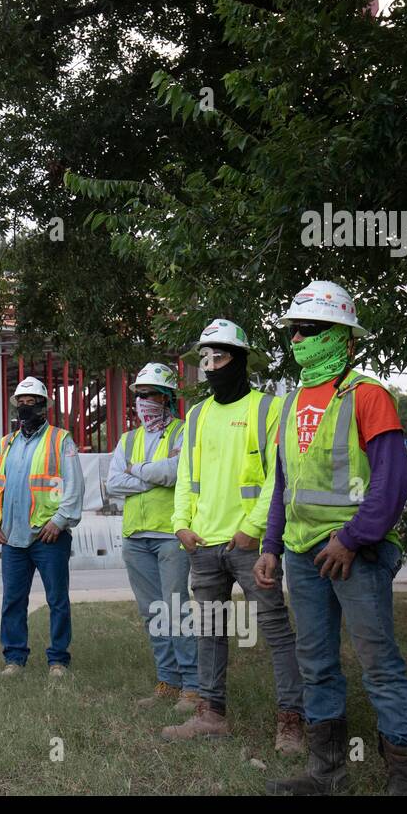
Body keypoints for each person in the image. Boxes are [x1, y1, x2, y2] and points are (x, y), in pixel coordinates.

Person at [256, 279, 407, 795]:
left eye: (313, 329)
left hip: (357, 555)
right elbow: (286, 482)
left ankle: (406, 786)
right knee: (316, 665)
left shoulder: (367, 395)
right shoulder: (289, 403)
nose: (301, 337)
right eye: (296, 329)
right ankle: (326, 776)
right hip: (305, 556)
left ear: (342, 335)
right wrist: (270, 546)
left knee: (379, 664)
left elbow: (392, 481)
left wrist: (352, 538)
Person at [162, 319, 305, 754]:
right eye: (204, 358)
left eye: (218, 357)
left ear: (240, 360)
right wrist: (181, 523)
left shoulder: (269, 409)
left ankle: (292, 723)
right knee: (210, 631)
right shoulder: (199, 414)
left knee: (276, 631)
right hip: (203, 544)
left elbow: (277, 478)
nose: (209, 366)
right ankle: (211, 714)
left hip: (250, 546)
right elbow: (188, 475)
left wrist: (254, 530)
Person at [106, 363, 198, 711]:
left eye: (151, 394)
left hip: (170, 532)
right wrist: (152, 475)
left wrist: (136, 471)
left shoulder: (182, 432)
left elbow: (178, 472)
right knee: (152, 611)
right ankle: (168, 681)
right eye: (139, 395)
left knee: (176, 609)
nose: (143, 401)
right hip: (135, 536)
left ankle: (192, 685)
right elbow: (113, 483)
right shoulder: (128, 439)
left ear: (168, 397)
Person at [0, 376, 83, 677]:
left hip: (48, 535)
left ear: (44, 407)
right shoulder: (7, 442)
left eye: (32, 403)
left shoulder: (60, 439)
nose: (25, 408)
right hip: (12, 537)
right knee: (13, 600)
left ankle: (58, 660)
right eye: (21, 403)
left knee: (57, 600)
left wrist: (59, 520)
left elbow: (75, 485)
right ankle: (14, 659)